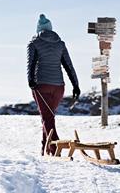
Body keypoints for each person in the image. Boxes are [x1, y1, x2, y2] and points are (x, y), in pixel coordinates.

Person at [27, 14, 80, 155]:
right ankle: (45, 148)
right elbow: (69, 65)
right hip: (59, 87)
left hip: (41, 86)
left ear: (38, 29)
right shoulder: (60, 44)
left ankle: (55, 149)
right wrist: (76, 85)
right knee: (48, 117)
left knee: (47, 118)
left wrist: (30, 80)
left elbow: (31, 64)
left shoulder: (34, 43)